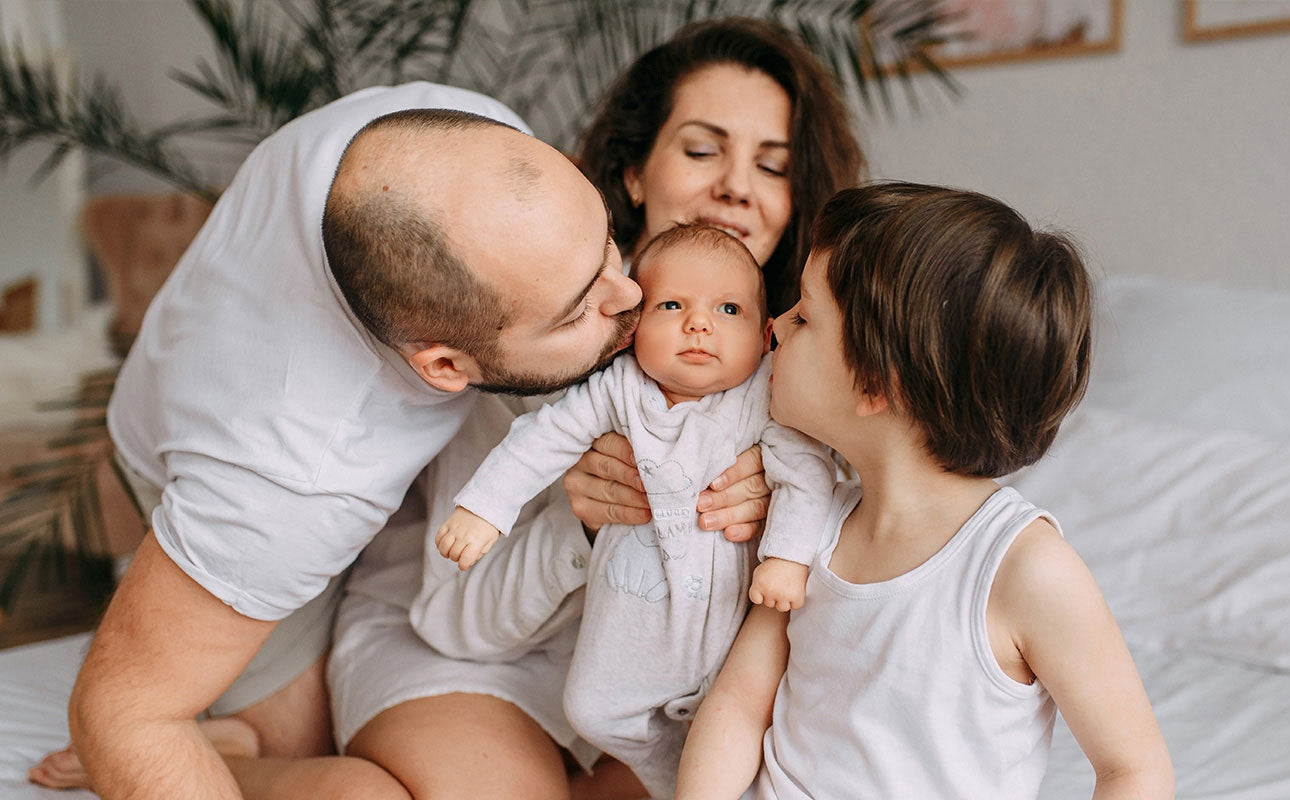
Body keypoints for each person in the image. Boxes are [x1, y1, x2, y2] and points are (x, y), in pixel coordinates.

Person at [31, 81, 649, 798]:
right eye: (578, 312)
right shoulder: (289, 485)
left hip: (250, 364)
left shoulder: (460, 134)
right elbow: (122, 715)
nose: (629, 293)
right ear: (444, 364)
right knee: (303, 746)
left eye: (605, 240)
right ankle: (240, 748)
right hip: (231, 450)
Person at [323, 17, 867, 800]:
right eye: (702, 149)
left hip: (660, 681)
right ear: (634, 172)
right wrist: (576, 522)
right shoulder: (541, 336)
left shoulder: (805, 362)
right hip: (478, 655)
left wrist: (802, 509)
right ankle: (260, 768)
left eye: (773, 166)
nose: (737, 187)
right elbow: (454, 621)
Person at [674, 182, 1175, 799]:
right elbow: (740, 704)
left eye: (804, 316)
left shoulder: (1023, 569)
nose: (775, 324)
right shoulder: (810, 523)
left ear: (875, 386)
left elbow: (1134, 770)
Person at [426, 224, 835, 797]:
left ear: (766, 334)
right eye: (672, 305)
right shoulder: (618, 389)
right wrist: (485, 508)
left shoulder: (766, 397)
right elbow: (540, 438)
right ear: (630, 330)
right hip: (628, 634)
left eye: (728, 308)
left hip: (724, 638)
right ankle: (667, 774)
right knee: (589, 710)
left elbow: (807, 471)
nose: (699, 323)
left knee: (731, 730)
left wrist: (786, 558)